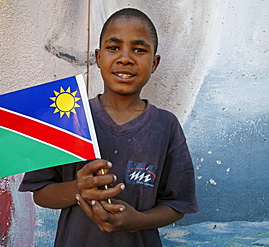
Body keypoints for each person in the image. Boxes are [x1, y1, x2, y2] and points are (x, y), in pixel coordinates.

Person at [19, 8, 198, 246]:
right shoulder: (69, 118)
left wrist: (138, 221)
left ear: (154, 63)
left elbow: (177, 205)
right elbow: (41, 193)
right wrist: (78, 188)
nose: (125, 58)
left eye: (139, 49)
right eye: (113, 48)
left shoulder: (166, 127)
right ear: (99, 57)